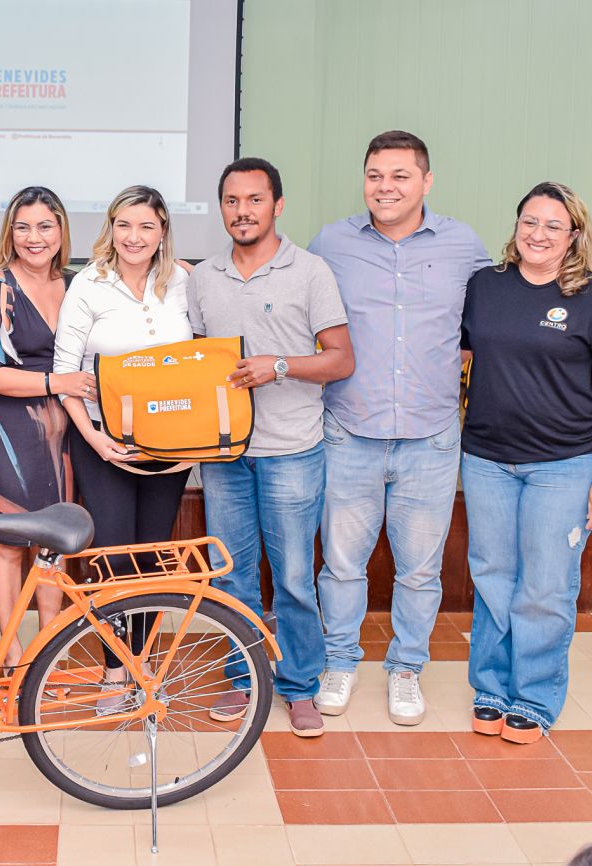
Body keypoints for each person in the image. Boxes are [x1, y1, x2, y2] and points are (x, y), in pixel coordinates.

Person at [308, 130, 492, 725]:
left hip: (431, 438)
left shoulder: (464, 245)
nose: (384, 187)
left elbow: (491, 321)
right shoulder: (330, 243)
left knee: (420, 571)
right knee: (341, 564)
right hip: (349, 431)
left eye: (399, 176)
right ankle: (339, 661)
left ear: (426, 181)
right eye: (374, 176)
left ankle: (407, 668)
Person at [460, 182, 592, 742]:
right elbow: (460, 354)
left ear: (574, 235)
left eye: (553, 226)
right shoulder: (486, 285)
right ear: (515, 226)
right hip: (486, 459)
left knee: (545, 586)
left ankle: (533, 697)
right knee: (492, 577)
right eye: (529, 221)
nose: (538, 234)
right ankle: (491, 687)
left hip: (563, 464)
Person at [187, 158, 353, 736]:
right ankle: (244, 676)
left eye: (254, 200)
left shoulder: (310, 271)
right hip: (224, 455)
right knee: (231, 577)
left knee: (292, 579)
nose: (243, 211)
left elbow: (341, 359)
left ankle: (300, 685)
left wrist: (279, 366)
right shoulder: (203, 277)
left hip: (291, 451)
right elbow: (194, 363)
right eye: (232, 201)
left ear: (277, 205)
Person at [53, 185, 192, 710]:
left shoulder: (181, 282)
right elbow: (64, 375)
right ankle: (115, 669)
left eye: (146, 226)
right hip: (103, 442)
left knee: (152, 557)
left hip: (169, 447)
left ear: (163, 231)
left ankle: (143, 662)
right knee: (114, 558)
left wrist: (193, 445)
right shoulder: (89, 284)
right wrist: (94, 439)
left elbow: (200, 362)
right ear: (111, 228)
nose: (134, 237)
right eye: (124, 225)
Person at [0, 187, 94, 668]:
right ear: (10, 233)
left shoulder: (80, 285)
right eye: (23, 227)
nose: (34, 237)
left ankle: (47, 651)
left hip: (70, 432)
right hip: (9, 431)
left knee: (54, 542)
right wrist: (56, 382)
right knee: (8, 542)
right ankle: (13, 653)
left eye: (44, 226)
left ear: (61, 231)